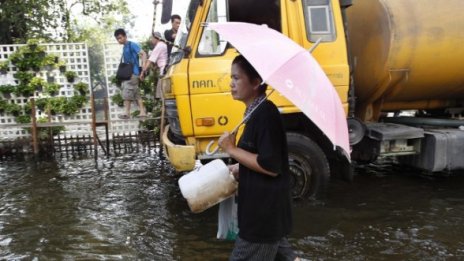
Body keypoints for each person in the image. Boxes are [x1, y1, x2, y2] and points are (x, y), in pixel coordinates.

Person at [218, 55, 299, 261]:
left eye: (236, 78)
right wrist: (238, 168)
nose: (231, 83)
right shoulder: (255, 113)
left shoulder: (266, 115)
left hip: (262, 217)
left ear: (255, 83)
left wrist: (232, 149)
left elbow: (271, 165)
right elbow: (259, 156)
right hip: (263, 213)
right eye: (231, 77)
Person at [114, 28, 147, 119]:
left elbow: (143, 53)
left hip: (132, 73)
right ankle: (142, 112)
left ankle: (127, 113)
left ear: (125, 36)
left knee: (126, 91)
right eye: (117, 39)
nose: (119, 40)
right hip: (133, 73)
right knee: (136, 93)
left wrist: (143, 69)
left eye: (120, 38)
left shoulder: (132, 45)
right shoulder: (125, 47)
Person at [140, 31, 168, 99]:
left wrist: (143, 72)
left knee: (162, 96)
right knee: (163, 95)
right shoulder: (163, 45)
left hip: (163, 72)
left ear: (156, 38)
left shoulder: (159, 46)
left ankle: (164, 109)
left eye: (152, 38)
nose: (151, 40)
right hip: (165, 71)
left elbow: (150, 61)